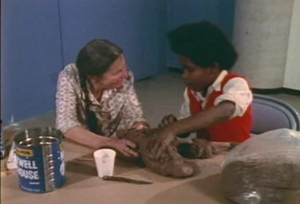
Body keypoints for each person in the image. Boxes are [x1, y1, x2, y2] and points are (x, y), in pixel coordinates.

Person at [149, 21, 253, 159]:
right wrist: (174, 124)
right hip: (206, 155)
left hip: (237, 157)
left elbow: (225, 110)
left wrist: (173, 128)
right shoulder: (192, 91)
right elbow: (186, 129)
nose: (184, 75)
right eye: (183, 69)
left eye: (190, 70)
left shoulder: (236, 84)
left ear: (213, 68)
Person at [55, 39, 149, 158]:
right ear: (93, 77)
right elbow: (66, 125)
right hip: (80, 144)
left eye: (124, 67)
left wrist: (140, 129)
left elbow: (134, 116)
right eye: (117, 72)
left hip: (115, 148)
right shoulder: (70, 76)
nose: (125, 74)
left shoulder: (125, 78)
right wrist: (107, 143)